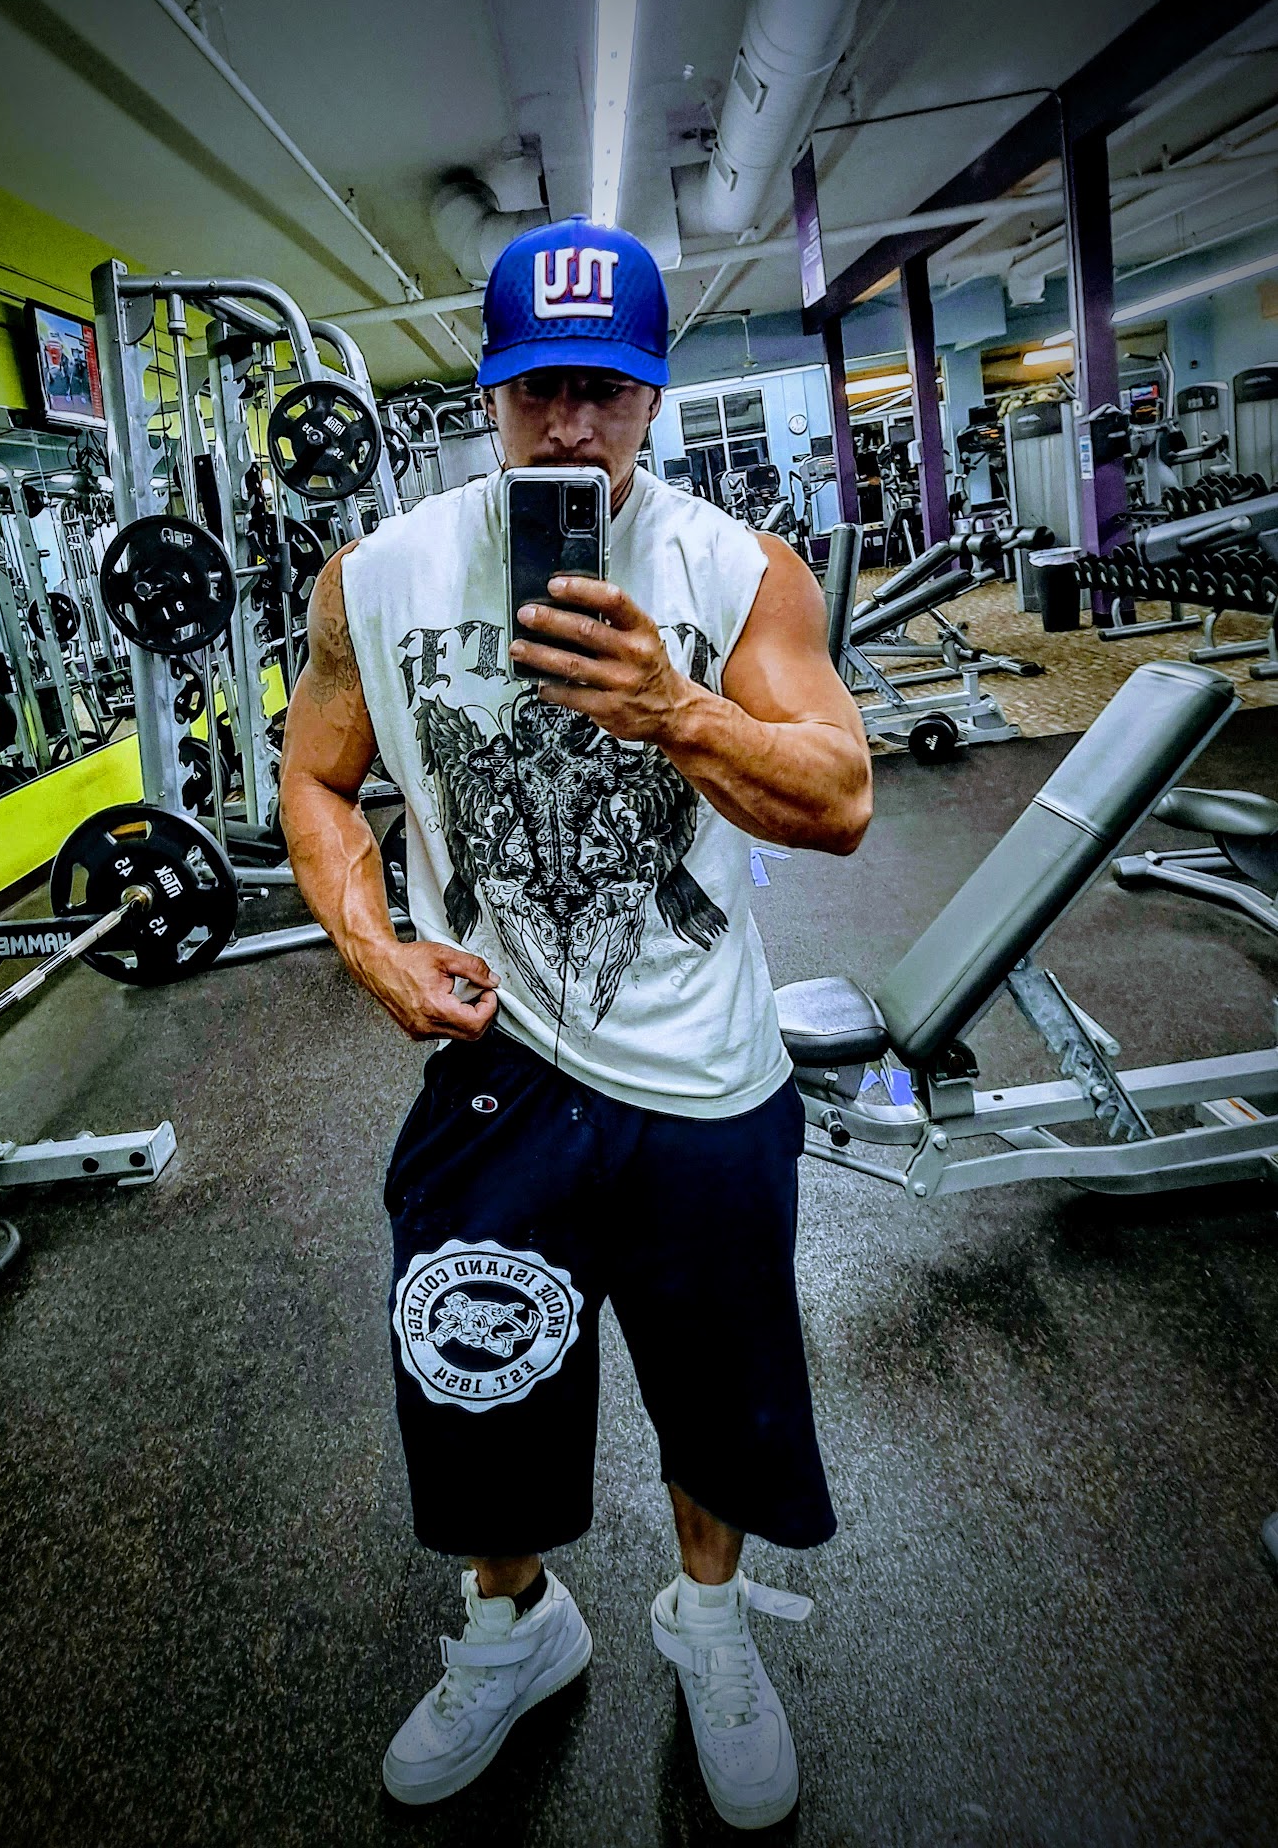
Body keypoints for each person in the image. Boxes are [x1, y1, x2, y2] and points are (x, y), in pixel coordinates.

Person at [279, 217, 872, 1831]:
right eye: (538, 388)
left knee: (721, 1395)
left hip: (704, 1075)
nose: (570, 427)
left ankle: (709, 1620)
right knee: (476, 1375)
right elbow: (317, 780)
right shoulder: (376, 580)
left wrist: (675, 709)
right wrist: (375, 950)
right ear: (488, 392)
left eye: (604, 390)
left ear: (653, 395)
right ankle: (516, 1626)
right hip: (499, 1068)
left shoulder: (738, 572)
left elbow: (841, 801)